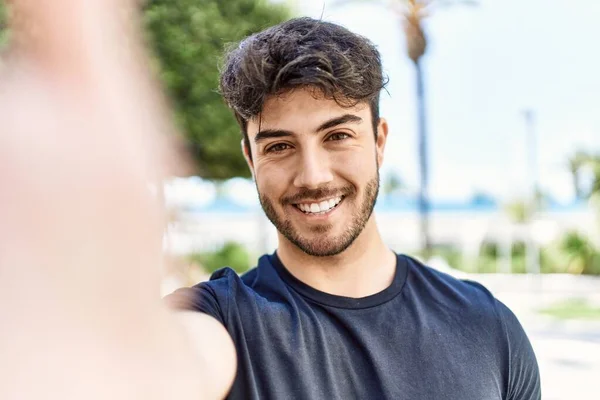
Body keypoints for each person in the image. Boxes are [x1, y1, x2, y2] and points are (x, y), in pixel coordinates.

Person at [166, 17, 541, 399]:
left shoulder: (488, 328)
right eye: (279, 146)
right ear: (250, 159)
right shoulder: (217, 322)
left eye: (338, 136)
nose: (312, 177)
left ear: (378, 141)